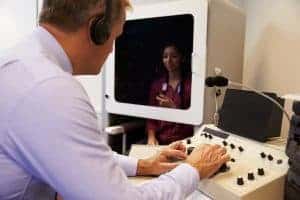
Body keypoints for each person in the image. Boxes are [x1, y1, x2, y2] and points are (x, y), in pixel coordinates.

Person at [0, 0, 229, 199]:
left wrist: (143, 165)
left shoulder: (22, 64)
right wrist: (193, 169)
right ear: (97, 29)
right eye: (116, 37)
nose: (111, 50)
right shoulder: (51, 88)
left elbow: (81, 155)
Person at [147, 43, 194, 145]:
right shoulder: (157, 85)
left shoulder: (190, 85)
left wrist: (173, 108)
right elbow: (151, 116)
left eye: (174, 56)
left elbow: (193, 120)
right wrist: (151, 137)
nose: (169, 60)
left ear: (181, 58)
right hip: (160, 140)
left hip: (183, 140)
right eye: (165, 56)